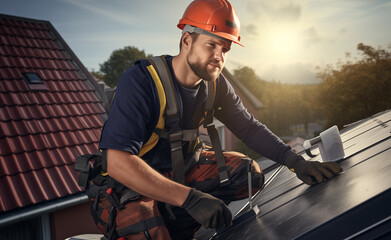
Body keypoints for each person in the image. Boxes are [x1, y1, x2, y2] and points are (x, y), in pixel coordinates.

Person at [94, 0, 343, 239]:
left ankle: (181, 222)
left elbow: (248, 128)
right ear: (186, 40)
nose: (219, 56)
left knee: (248, 174)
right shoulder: (142, 82)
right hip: (132, 184)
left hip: (184, 169)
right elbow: (117, 162)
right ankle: (163, 221)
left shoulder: (214, 85)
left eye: (225, 49)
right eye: (211, 45)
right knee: (145, 226)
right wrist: (190, 199)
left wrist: (296, 162)